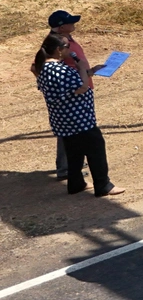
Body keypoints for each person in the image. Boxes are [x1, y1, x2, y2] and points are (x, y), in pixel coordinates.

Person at [33, 33, 123, 196]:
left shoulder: (44, 68)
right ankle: (103, 185)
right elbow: (81, 87)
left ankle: (76, 183)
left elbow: (69, 86)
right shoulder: (60, 69)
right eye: (68, 47)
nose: (70, 51)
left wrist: (89, 72)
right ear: (59, 50)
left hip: (63, 120)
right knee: (95, 149)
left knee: (74, 153)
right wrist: (82, 68)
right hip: (79, 119)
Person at [31, 10, 103, 181]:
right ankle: (65, 168)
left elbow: (75, 68)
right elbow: (36, 68)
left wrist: (89, 72)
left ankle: (74, 165)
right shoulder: (54, 44)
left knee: (77, 132)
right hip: (72, 97)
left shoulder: (66, 40)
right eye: (71, 22)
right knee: (69, 132)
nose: (74, 24)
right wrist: (56, 90)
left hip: (80, 91)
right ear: (62, 27)